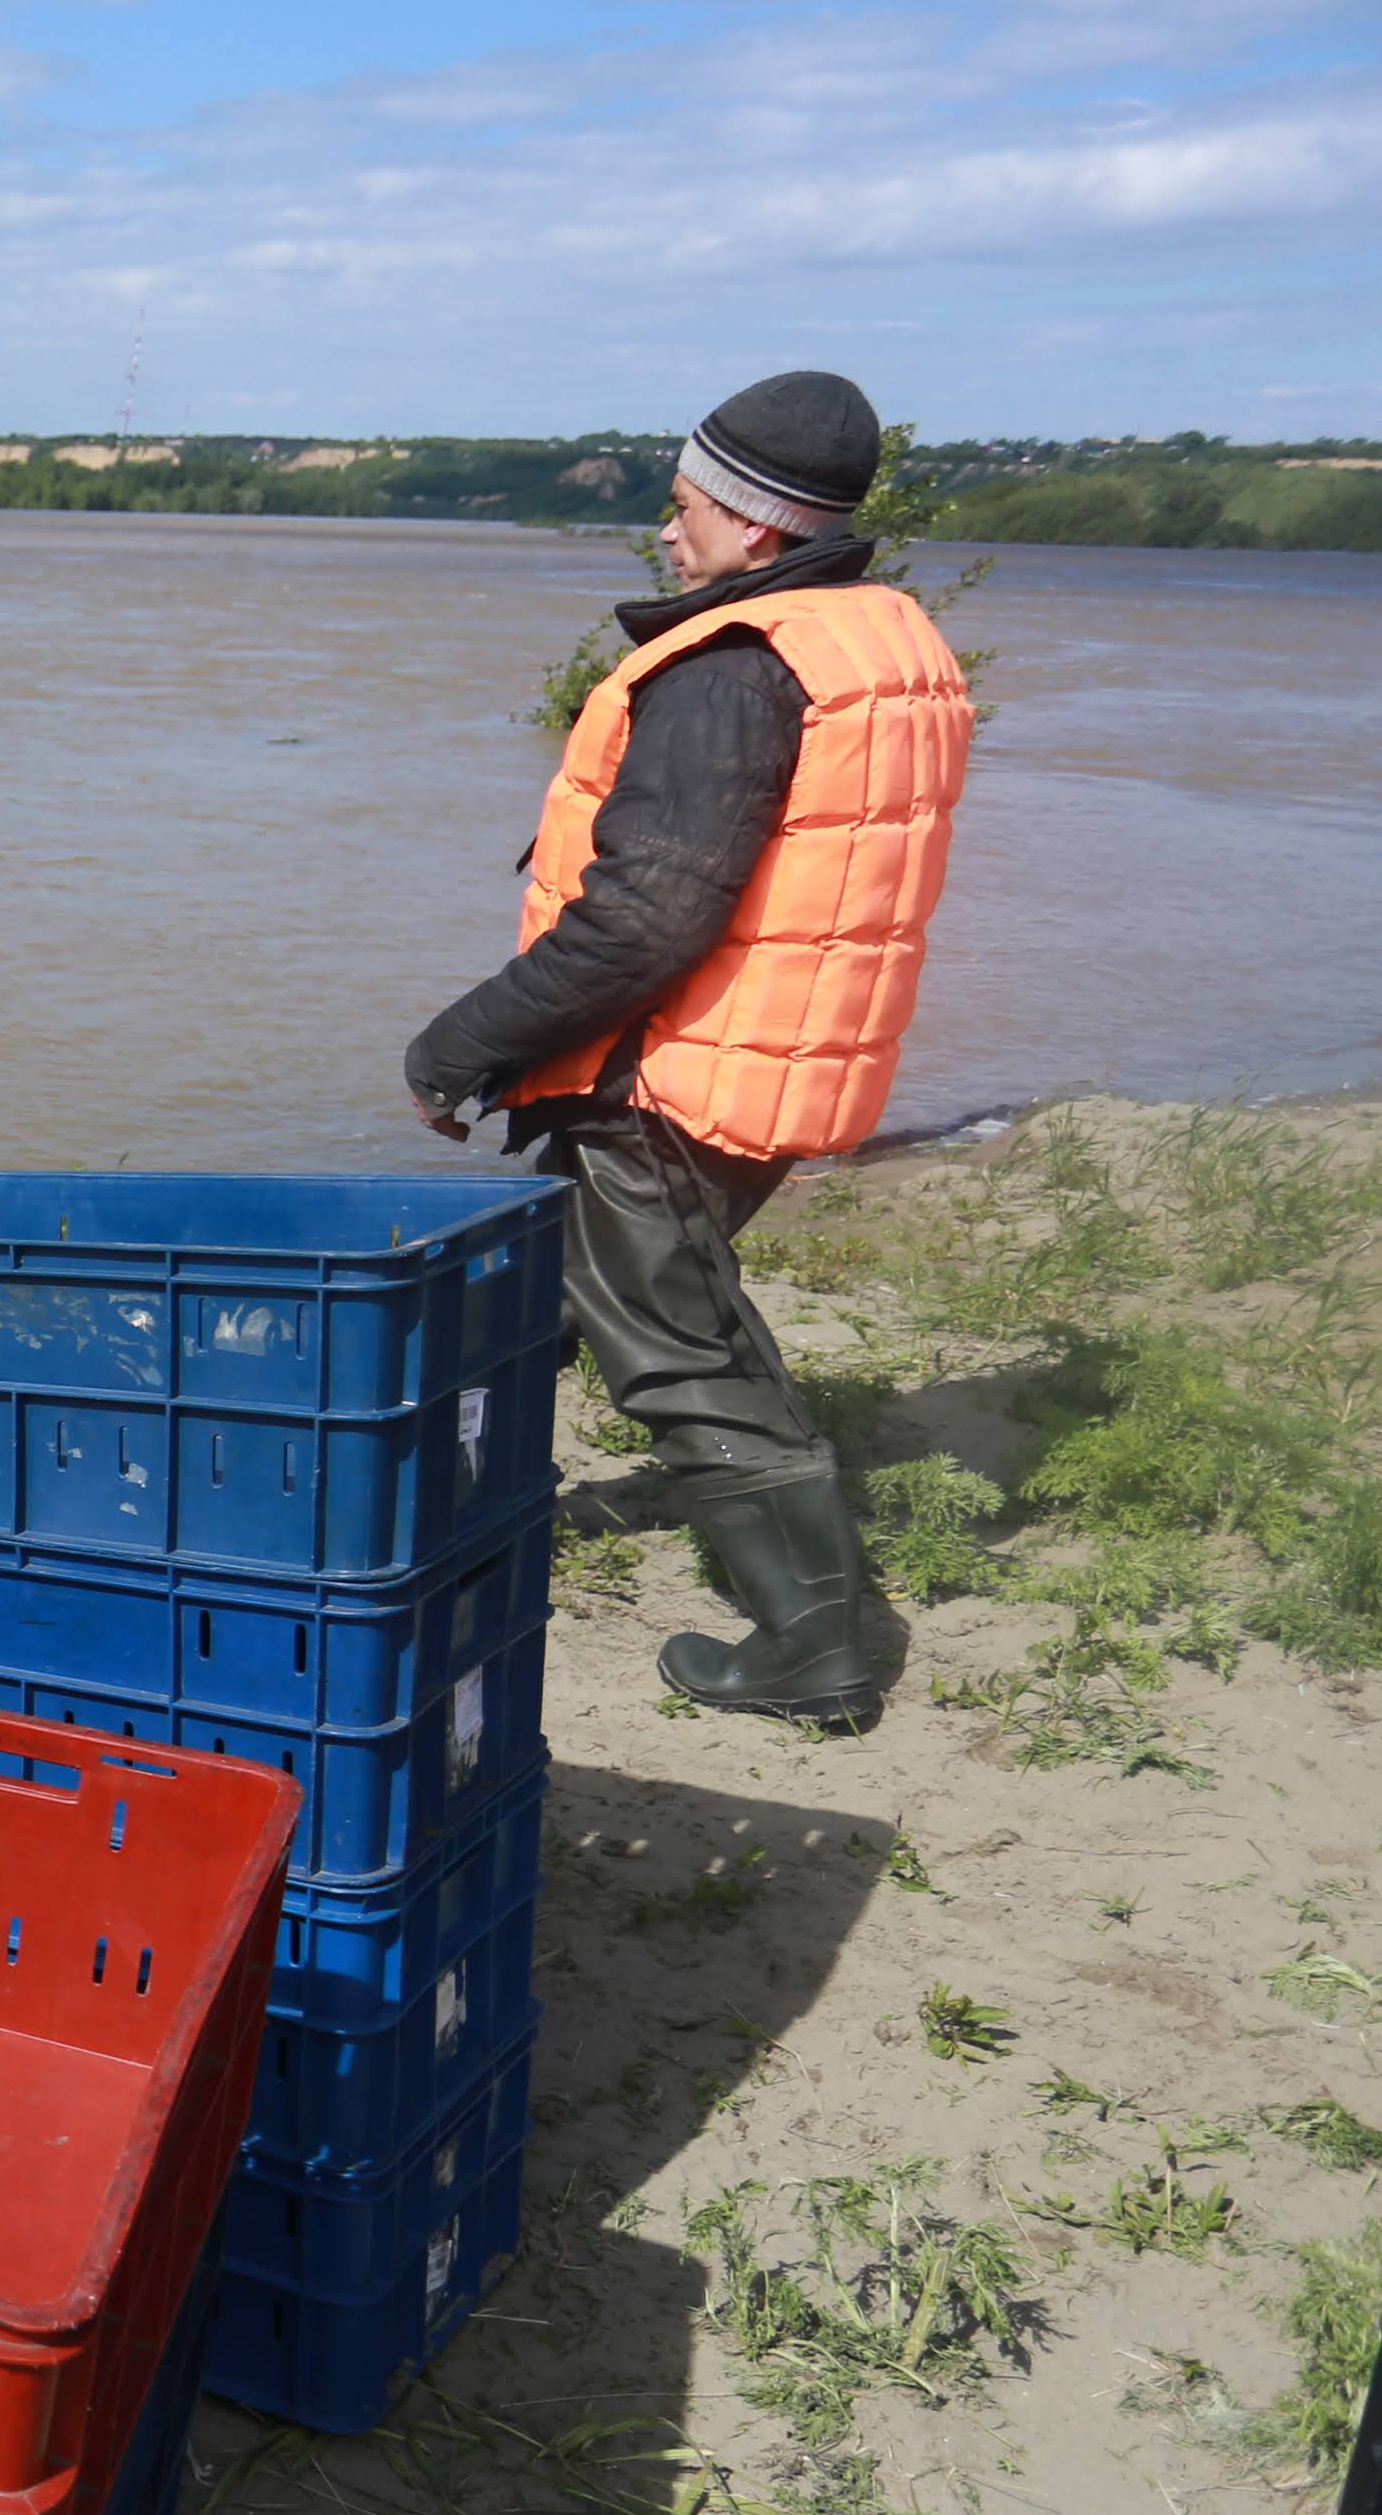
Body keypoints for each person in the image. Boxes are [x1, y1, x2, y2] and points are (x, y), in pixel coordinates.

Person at [404, 369, 975, 1726]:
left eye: (684, 506)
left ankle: (812, 1645)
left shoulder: (731, 670)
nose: (667, 532)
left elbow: (641, 925)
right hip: (776, 1056)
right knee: (541, 1288)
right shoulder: (879, 634)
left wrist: (461, 1041)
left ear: (757, 523)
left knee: (679, 1350)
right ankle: (441, 1502)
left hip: (669, 1078)